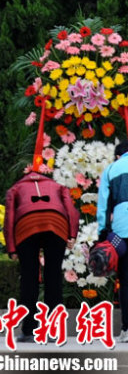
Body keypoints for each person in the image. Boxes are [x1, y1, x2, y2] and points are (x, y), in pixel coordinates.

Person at [3, 167, 78, 343]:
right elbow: (71, 210)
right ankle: (55, 330)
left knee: (29, 277)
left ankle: (29, 330)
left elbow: (9, 217)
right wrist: (72, 235)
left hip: (26, 226)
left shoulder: (15, 189)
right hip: (57, 223)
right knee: (53, 277)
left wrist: (12, 248)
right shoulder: (57, 186)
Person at [96, 141, 128, 343]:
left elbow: (103, 206)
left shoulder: (111, 170)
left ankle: (127, 328)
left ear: (118, 155)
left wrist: (102, 232)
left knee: (125, 280)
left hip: (121, 234)